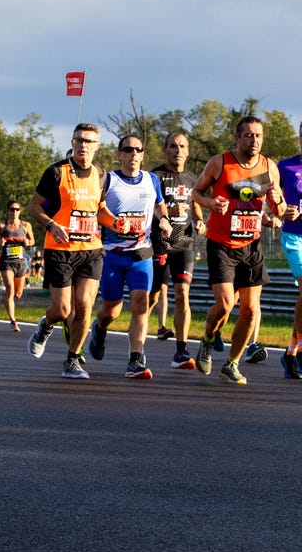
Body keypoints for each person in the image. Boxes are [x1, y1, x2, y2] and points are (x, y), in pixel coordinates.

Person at [191, 116, 287, 384]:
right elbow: (195, 193)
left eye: (258, 135)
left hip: (251, 244)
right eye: (248, 135)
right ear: (237, 137)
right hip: (221, 244)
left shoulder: (270, 167)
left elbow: (278, 207)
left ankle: (231, 363)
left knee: (251, 311)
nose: (254, 140)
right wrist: (211, 204)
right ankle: (208, 339)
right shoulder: (219, 163)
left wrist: (276, 209)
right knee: (224, 305)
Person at [86, 135, 172, 380]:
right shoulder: (109, 180)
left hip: (142, 253)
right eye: (128, 150)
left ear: (143, 154)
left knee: (140, 304)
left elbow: (159, 205)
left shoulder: (151, 180)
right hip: (114, 254)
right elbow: (98, 210)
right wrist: (114, 223)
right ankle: (99, 328)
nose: (133, 154)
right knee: (112, 309)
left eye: (138, 150)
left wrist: (163, 219)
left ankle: (135, 358)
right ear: (119, 154)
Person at [26, 124, 108, 379]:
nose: (84, 145)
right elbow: (34, 206)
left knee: (85, 305)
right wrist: (51, 224)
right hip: (60, 249)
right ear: (72, 142)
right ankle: (46, 325)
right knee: (62, 310)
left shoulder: (101, 175)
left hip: (91, 249)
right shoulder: (55, 172)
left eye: (89, 141)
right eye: (79, 140)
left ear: (97, 146)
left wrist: (117, 222)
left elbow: (100, 209)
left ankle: (73, 359)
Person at [148, 131, 206, 369]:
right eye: (173, 146)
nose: (178, 150)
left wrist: (201, 221)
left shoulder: (193, 179)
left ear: (188, 151)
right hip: (159, 242)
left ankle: (181, 351)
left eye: (182, 146)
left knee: (182, 292)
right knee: (151, 298)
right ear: (165, 149)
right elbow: (150, 205)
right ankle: (137, 344)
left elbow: (195, 205)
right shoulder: (155, 176)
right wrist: (165, 215)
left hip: (185, 242)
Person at [278, 120, 302, 377]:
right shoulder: (284, 166)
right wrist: (283, 210)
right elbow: (269, 200)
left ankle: (290, 353)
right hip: (294, 237)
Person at [0, 200, 35, 332]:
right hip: (6, 262)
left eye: (17, 209)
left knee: (17, 294)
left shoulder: (26, 225)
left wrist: (27, 242)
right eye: (12, 209)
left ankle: (3, 295)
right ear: (8, 211)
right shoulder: (2, 226)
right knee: (11, 289)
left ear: (20, 211)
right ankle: (13, 321)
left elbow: (33, 240)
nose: (14, 212)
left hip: (21, 262)